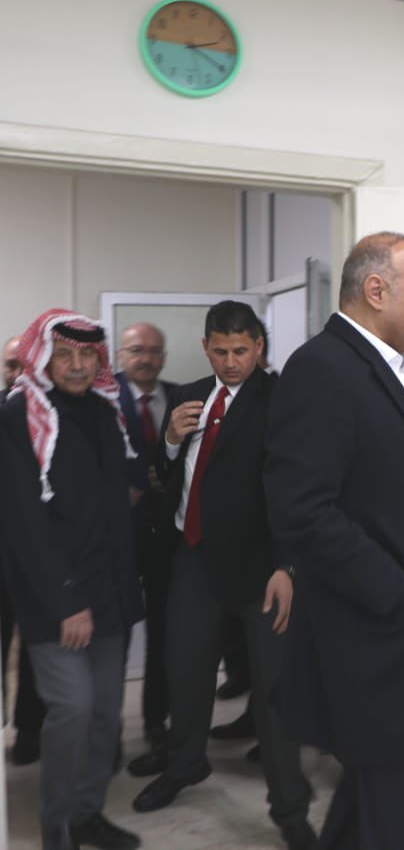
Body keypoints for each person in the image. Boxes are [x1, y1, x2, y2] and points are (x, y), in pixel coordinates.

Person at [265, 231, 404, 850]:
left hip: (401, 625)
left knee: (373, 786)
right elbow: (301, 510)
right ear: (376, 290)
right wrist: (393, 588)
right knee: (390, 800)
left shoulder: (389, 370)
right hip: (371, 629)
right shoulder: (323, 368)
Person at [125, 302, 314, 848]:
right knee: (185, 671)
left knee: (274, 690)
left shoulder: (282, 399)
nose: (231, 362)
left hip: (262, 567)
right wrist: (169, 440)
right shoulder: (187, 395)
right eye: (221, 351)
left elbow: (297, 488)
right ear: (205, 347)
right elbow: (165, 473)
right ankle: (185, 764)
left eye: (242, 351)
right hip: (192, 557)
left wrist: (288, 564)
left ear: (259, 348)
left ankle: (289, 807)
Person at [0, 309, 145, 850]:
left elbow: (120, 494)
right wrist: (65, 600)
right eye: (65, 355)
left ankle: (87, 813)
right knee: (73, 708)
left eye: (87, 354)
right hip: (57, 596)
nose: (78, 365)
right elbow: (23, 523)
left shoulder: (105, 412)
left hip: (110, 591)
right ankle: (57, 828)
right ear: (43, 358)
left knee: (105, 714)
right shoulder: (19, 416)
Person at [114, 323, 179, 762]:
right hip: (116, 539)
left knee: (163, 635)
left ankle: (157, 722)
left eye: (154, 351)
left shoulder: (180, 397)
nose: (146, 358)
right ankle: (107, 730)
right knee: (114, 638)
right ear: (121, 354)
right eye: (137, 350)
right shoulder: (102, 399)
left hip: (165, 537)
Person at [1, 333, 49, 767]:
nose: (16, 374)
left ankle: (29, 731)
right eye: (9, 365)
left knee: (37, 649)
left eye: (23, 365)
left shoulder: (51, 417)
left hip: (37, 555)